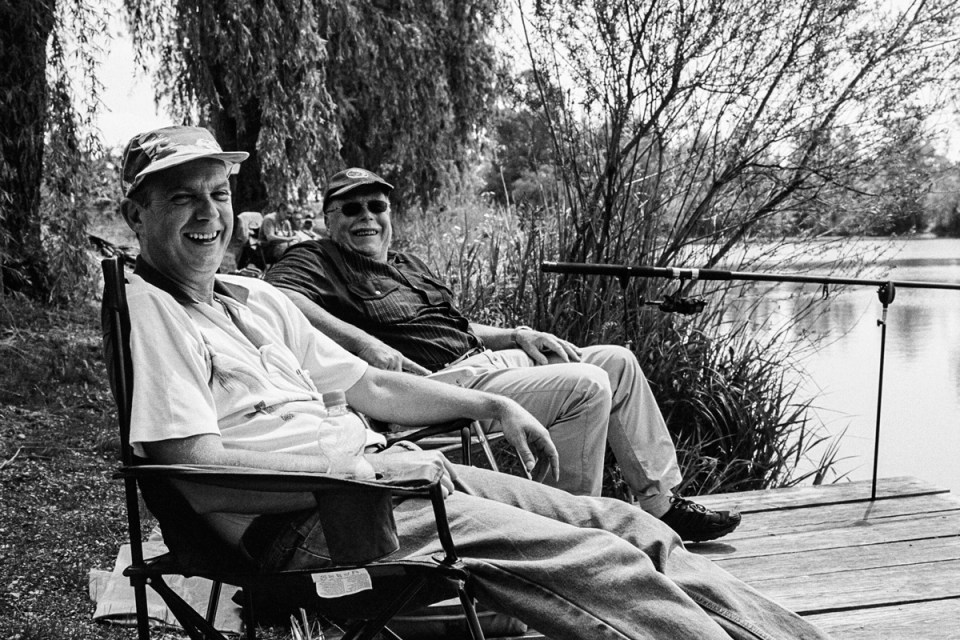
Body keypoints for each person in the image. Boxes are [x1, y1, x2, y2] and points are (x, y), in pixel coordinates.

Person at [115, 125, 832, 640]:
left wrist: (490, 403)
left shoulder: (252, 298)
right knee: (600, 563)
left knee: (626, 526)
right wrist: (355, 471)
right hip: (323, 516)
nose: (207, 213)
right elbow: (196, 470)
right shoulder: (149, 309)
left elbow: (374, 389)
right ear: (135, 216)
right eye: (181, 198)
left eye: (218, 194)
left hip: (391, 478)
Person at [264, 167, 739, 542]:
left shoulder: (408, 264)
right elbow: (278, 295)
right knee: (586, 385)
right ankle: (572, 533)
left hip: (488, 362)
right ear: (329, 219)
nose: (366, 216)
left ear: (389, 213)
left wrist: (515, 335)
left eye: (376, 206)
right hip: (439, 385)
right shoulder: (317, 258)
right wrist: (364, 343)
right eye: (351, 208)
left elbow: (458, 327)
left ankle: (661, 505)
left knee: (616, 361)